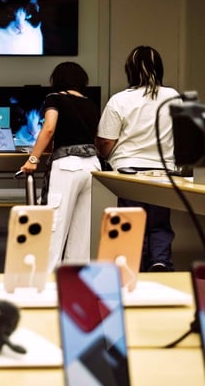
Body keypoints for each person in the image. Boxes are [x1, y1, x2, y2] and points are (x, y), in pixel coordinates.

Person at [95, 45, 180, 272]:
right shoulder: (173, 97)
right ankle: (160, 263)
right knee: (160, 223)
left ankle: (133, 269)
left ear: (129, 70)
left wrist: (104, 155)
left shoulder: (120, 100)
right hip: (163, 171)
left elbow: (105, 141)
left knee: (131, 223)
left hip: (128, 172)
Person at [19, 61, 101, 270]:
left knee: (53, 225)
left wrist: (33, 159)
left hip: (67, 166)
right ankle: (75, 281)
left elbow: (48, 128)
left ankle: (45, 281)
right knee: (82, 231)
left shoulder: (54, 98)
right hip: (92, 167)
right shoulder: (90, 103)